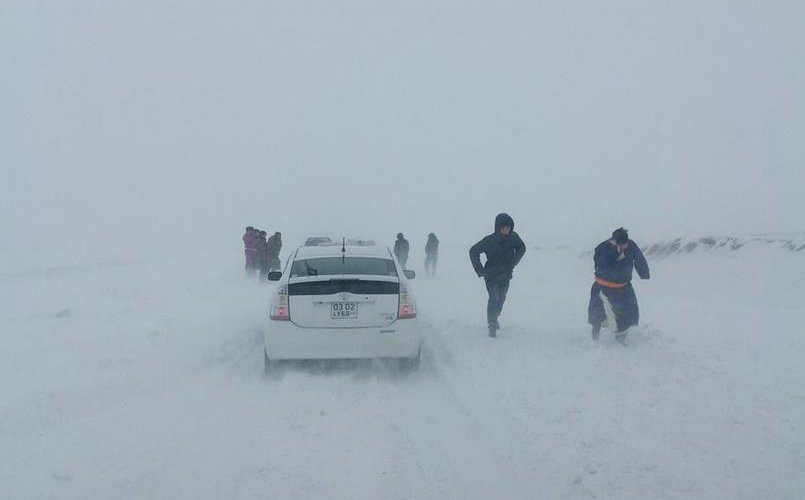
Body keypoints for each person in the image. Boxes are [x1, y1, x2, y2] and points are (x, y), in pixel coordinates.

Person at [587, 227, 650, 344]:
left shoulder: (631, 245)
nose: (624, 247)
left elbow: (639, 258)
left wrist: (644, 273)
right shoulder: (605, 248)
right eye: (621, 245)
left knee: (628, 312)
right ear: (615, 241)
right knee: (598, 313)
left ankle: (621, 339)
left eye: (625, 244)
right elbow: (600, 267)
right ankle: (595, 338)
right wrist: (616, 255)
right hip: (603, 286)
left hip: (623, 287)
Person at [469, 213, 526, 337]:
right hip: (491, 275)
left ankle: (495, 317)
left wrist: (514, 261)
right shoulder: (490, 240)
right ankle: (492, 325)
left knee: (501, 299)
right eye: (503, 227)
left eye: (508, 227)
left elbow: (522, 248)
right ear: (498, 227)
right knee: (493, 297)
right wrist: (480, 270)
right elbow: (473, 251)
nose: (506, 230)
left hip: (506, 275)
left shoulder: (514, 238)